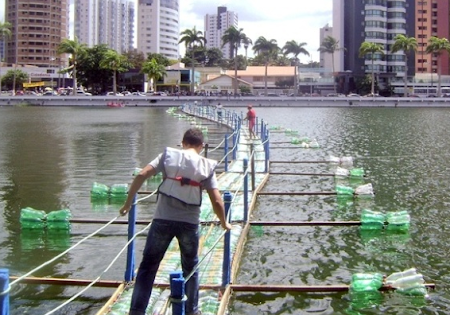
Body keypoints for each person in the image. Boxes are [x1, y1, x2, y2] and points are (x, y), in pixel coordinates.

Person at [119, 128, 232, 315]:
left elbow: (141, 175)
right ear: (201, 146)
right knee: (190, 268)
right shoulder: (206, 165)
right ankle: (191, 311)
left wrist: (128, 203)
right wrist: (224, 222)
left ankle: (137, 311)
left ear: (183, 142)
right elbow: (217, 201)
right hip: (189, 223)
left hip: (162, 220)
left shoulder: (167, 156)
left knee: (148, 267)